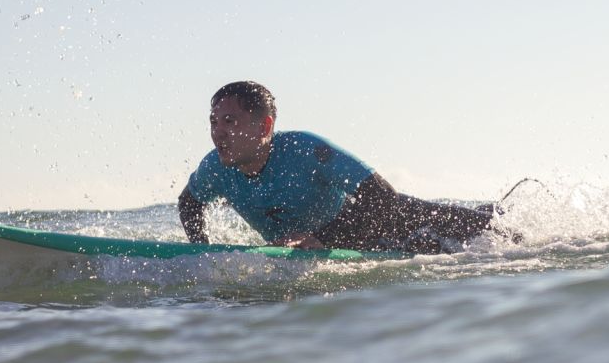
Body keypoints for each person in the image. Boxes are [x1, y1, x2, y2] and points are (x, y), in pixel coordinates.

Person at [178, 81, 497, 254]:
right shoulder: (215, 169)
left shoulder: (305, 150)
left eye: (229, 122)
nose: (217, 132)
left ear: (264, 127)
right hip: (314, 239)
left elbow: (382, 196)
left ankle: (494, 216)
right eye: (213, 122)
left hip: (373, 222)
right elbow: (189, 203)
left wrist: (323, 240)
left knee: (486, 235)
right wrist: (203, 255)